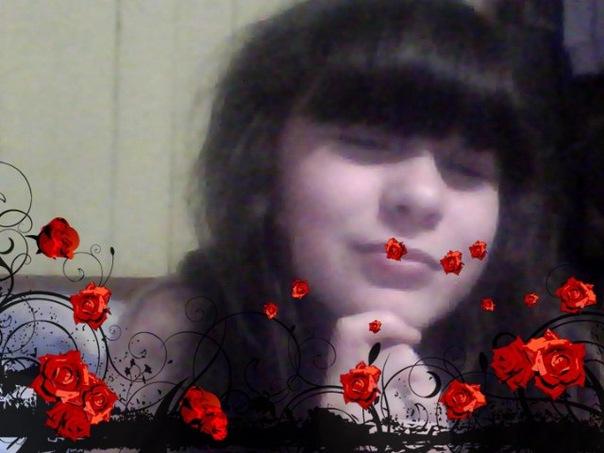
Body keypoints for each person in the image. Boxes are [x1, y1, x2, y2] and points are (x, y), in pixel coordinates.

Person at [114, 0, 561, 448]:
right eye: (367, 143)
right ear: (265, 162)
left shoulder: (556, 366)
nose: (422, 195)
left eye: (467, 168)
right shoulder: (182, 333)